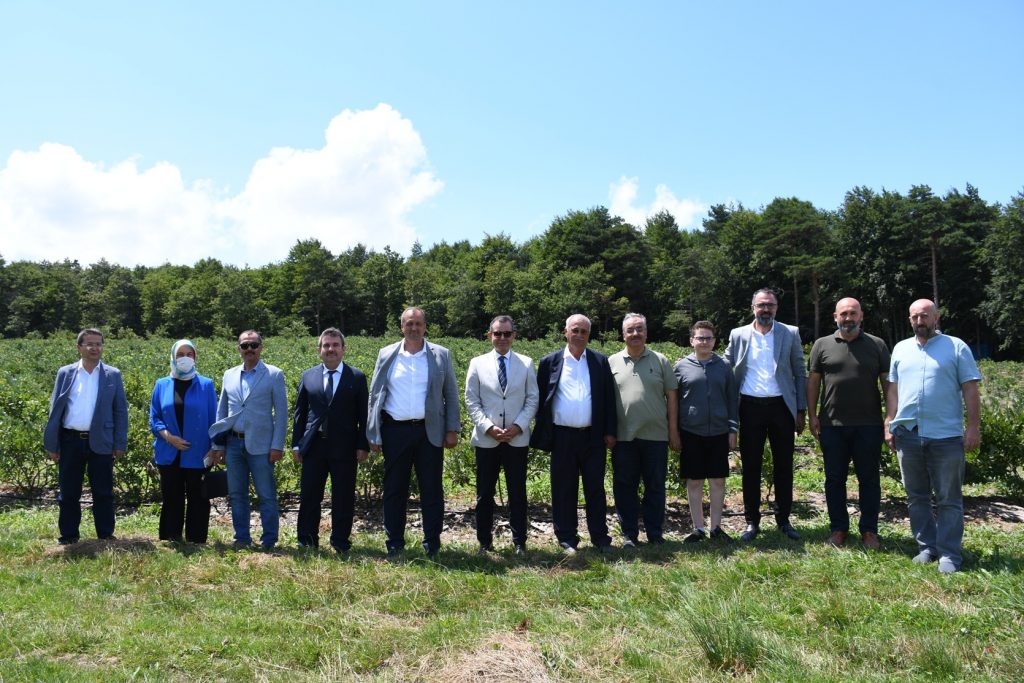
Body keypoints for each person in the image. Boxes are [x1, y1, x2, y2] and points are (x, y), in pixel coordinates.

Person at [885, 299, 981, 574]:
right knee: (917, 496)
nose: (919, 321)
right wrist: (889, 421)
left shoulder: (956, 347)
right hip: (908, 435)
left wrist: (973, 427)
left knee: (949, 498)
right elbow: (893, 389)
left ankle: (950, 554)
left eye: (924, 316)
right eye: (914, 316)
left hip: (946, 436)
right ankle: (927, 547)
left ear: (936, 317)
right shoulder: (901, 349)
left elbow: (970, 389)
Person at [367, 307, 460, 558]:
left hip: (429, 432)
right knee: (395, 489)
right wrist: (373, 431)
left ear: (425, 326)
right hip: (395, 431)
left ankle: (432, 544)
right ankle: (394, 543)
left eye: (418, 324)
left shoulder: (440, 355)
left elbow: (450, 394)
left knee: (431, 489)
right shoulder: (386, 354)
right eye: (409, 324)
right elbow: (375, 395)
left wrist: (452, 429)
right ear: (402, 326)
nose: (414, 328)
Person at [724, 288, 807, 542]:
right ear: (753, 308)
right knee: (751, 467)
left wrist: (800, 409)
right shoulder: (738, 335)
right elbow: (726, 365)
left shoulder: (789, 333)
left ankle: (783, 520)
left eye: (770, 305)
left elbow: (799, 372)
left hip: (781, 407)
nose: (766, 309)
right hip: (749, 407)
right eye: (761, 305)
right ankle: (752, 522)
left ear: (776, 308)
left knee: (784, 466)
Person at [807, 298, 890, 550]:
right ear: (835, 316)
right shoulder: (822, 345)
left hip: (869, 424)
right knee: (834, 479)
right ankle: (839, 528)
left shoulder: (877, 345)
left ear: (861, 315)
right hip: (832, 425)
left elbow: (888, 383)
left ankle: (869, 531)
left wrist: (890, 416)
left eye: (853, 313)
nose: (848, 317)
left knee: (869, 479)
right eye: (844, 313)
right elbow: (813, 382)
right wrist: (812, 414)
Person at [531, 314, 617, 554]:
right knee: (563, 489)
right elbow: (540, 400)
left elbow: (609, 399)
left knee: (595, 489)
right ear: (565, 332)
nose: (579, 335)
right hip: (562, 437)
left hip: (594, 436)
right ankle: (567, 537)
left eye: (584, 331)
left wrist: (610, 431)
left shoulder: (600, 362)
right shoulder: (550, 362)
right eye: (575, 330)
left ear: (589, 335)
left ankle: (600, 537)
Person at [43, 329, 128, 545]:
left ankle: (105, 535)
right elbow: (55, 409)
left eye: (98, 344)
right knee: (69, 492)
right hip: (70, 440)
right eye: (89, 344)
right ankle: (69, 536)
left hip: (102, 441)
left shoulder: (112, 374)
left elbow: (120, 411)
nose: (95, 348)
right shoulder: (66, 373)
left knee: (103, 492)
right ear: (79, 347)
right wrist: (53, 443)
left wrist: (119, 443)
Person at [465, 315, 539, 555]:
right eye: (497, 333)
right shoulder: (477, 363)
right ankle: (484, 543)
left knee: (517, 492)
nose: (502, 338)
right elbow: (471, 400)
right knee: (484, 494)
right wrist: (488, 427)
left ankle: (520, 542)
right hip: (488, 439)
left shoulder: (526, 363)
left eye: (507, 334)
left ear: (514, 336)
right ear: (489, 336)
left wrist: (519, 426)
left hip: (516, 438)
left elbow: (532, 399)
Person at [292, 328, 369, 554]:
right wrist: (297, 443)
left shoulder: (356, 377)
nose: (330, 349)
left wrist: (362, 444)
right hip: (314, 446)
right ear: (319, 350)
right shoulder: (308, 376)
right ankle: (307, 540)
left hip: (344, 447)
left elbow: (363, 415)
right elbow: (300, 413)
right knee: (309, 496)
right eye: (326, 345)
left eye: (335, 345)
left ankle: (340, 542)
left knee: (343, 496)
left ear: (344, 349)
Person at [209, 330, 288, 550]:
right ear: (239, 349)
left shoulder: (274, 374)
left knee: (266, 495)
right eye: (245, 346)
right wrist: (218, 444)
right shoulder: (229, 375)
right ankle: (241, 537)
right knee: (236, 493)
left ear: (261, 347)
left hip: (262, 446)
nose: (249, 349)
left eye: (254, 345)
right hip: (234, 443)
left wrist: (277, 445)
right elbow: (222, 410)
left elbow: (281, 413)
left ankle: (269, 539)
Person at [608, 313, 679, 547]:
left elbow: (672, 397)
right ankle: (629, 534)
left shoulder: (660, 360)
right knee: (625, 486)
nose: (635, 334)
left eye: (639, 329)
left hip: (656, 436)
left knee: (655, 486)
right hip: (623, 437)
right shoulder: (612, 362)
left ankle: (655, 534)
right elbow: (605, 402)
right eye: (630, 330)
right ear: (623, 334)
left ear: (646, 333)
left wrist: (673, 432)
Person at [674, 321, 739, 543]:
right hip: (691, 431)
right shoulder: (681, 367)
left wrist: (733, 429)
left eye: (708, 338)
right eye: (700, 338)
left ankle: (716, 528)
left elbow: (732, 399)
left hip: (719, 431)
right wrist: (675, 431)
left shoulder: (723, 366)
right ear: (692, 340)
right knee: (694, 481)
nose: (704, 342)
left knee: (718, 480)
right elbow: (673, 400)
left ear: (714, 341)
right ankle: (698, 528)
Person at [149, 339, 218, 543]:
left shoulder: (206, 385)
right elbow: (155, 416)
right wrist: (168, 437)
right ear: (173, 357)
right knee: (172, 496)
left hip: (198, 452)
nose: (185, 358)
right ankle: (171, 537)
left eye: (190, 354)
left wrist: (214, 448)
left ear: (195, 357)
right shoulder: (162, 384)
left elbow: (214, 418)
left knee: (198, 496)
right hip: (169, 450)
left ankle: (196, 539)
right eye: (181, 354)